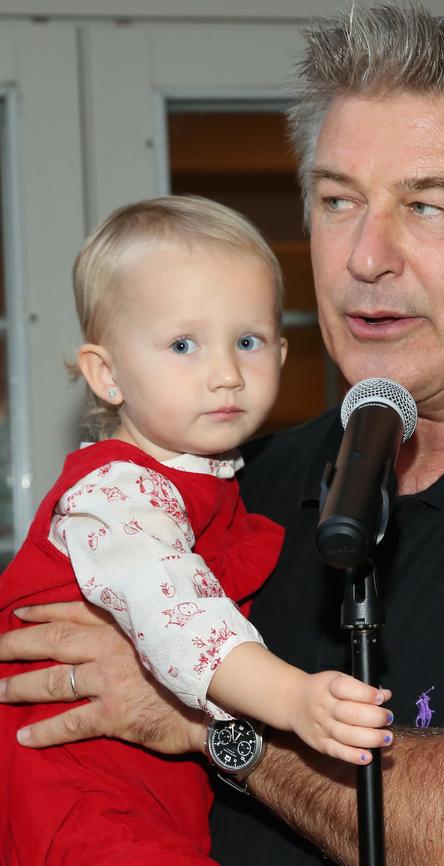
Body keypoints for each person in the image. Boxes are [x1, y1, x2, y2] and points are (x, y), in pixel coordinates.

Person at [0, 5, 444, 865]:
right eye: (338, 199)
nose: (365, 256)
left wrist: (209, 717)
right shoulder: (230, 485)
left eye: (425, 205)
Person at [0, 195, 393, 865]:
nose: (226, 373)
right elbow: (177, 617)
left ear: (281, 347)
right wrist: (293, 699)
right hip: (77, 801)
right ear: (106, 373)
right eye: (184, 344)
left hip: (152, 799)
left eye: (248, 340)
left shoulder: (212, 485)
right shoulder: (116, 493)